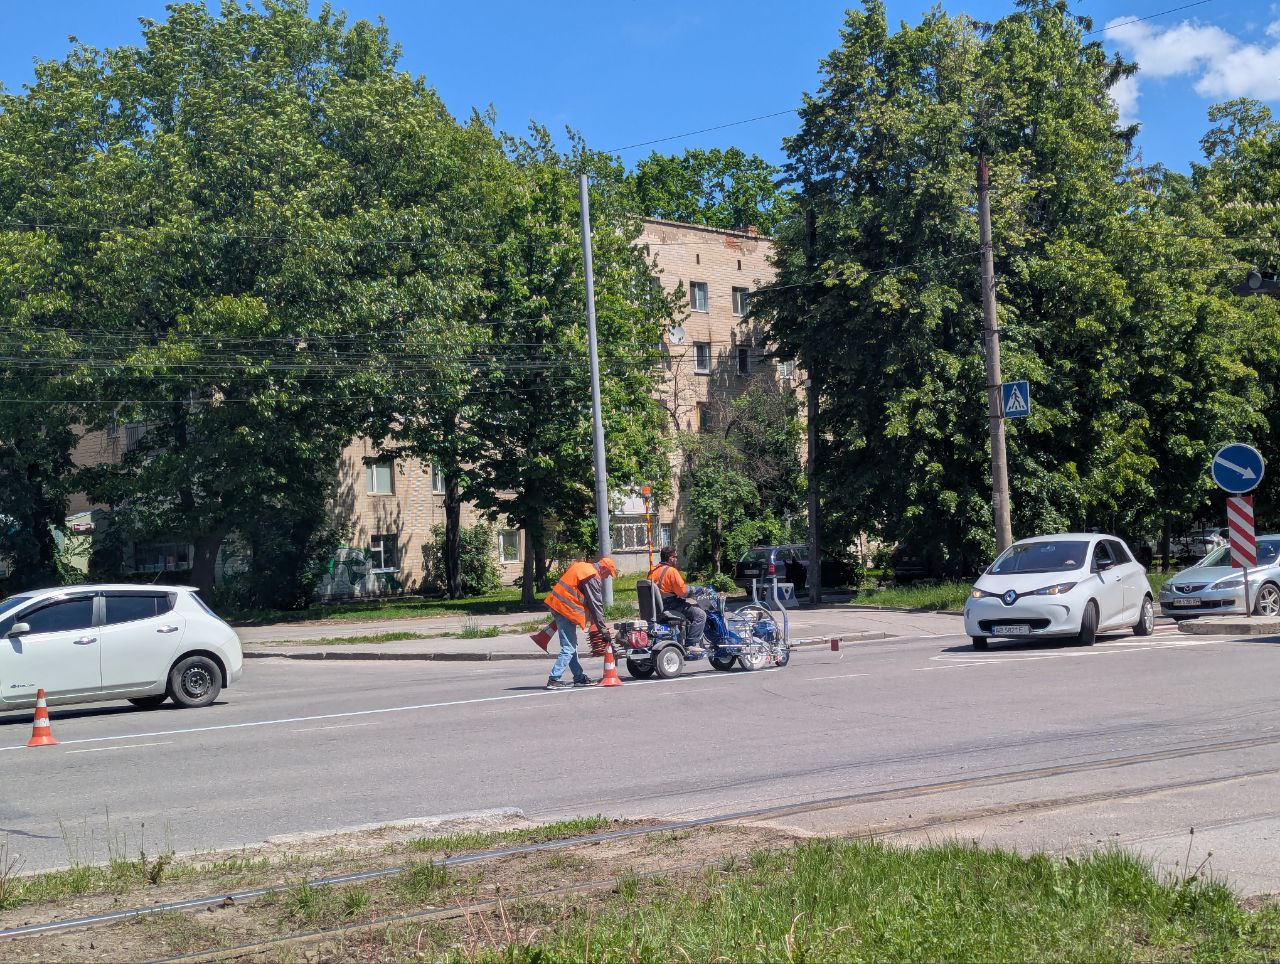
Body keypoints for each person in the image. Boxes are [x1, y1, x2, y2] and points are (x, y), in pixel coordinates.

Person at [542, 556, 616, 690]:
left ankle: (578, 677)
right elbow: (596, 605)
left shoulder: (583, 567)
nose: (607, 578)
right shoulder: (592, 576)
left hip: (560, 606)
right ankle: (554, 679)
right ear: (604, 569)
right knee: (568, 647)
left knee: (571, 646)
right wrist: (603, 630)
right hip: (565, 609)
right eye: (608, 574)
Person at [647, 547, 706, 653]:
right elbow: (683, 591)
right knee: (700, 614)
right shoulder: (671, 571)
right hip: (671, 605)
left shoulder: (652, 572)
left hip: (654, 608)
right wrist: (697, 590)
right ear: (670, 558)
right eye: (675, 557)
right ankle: (691, 644)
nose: (676, 560)